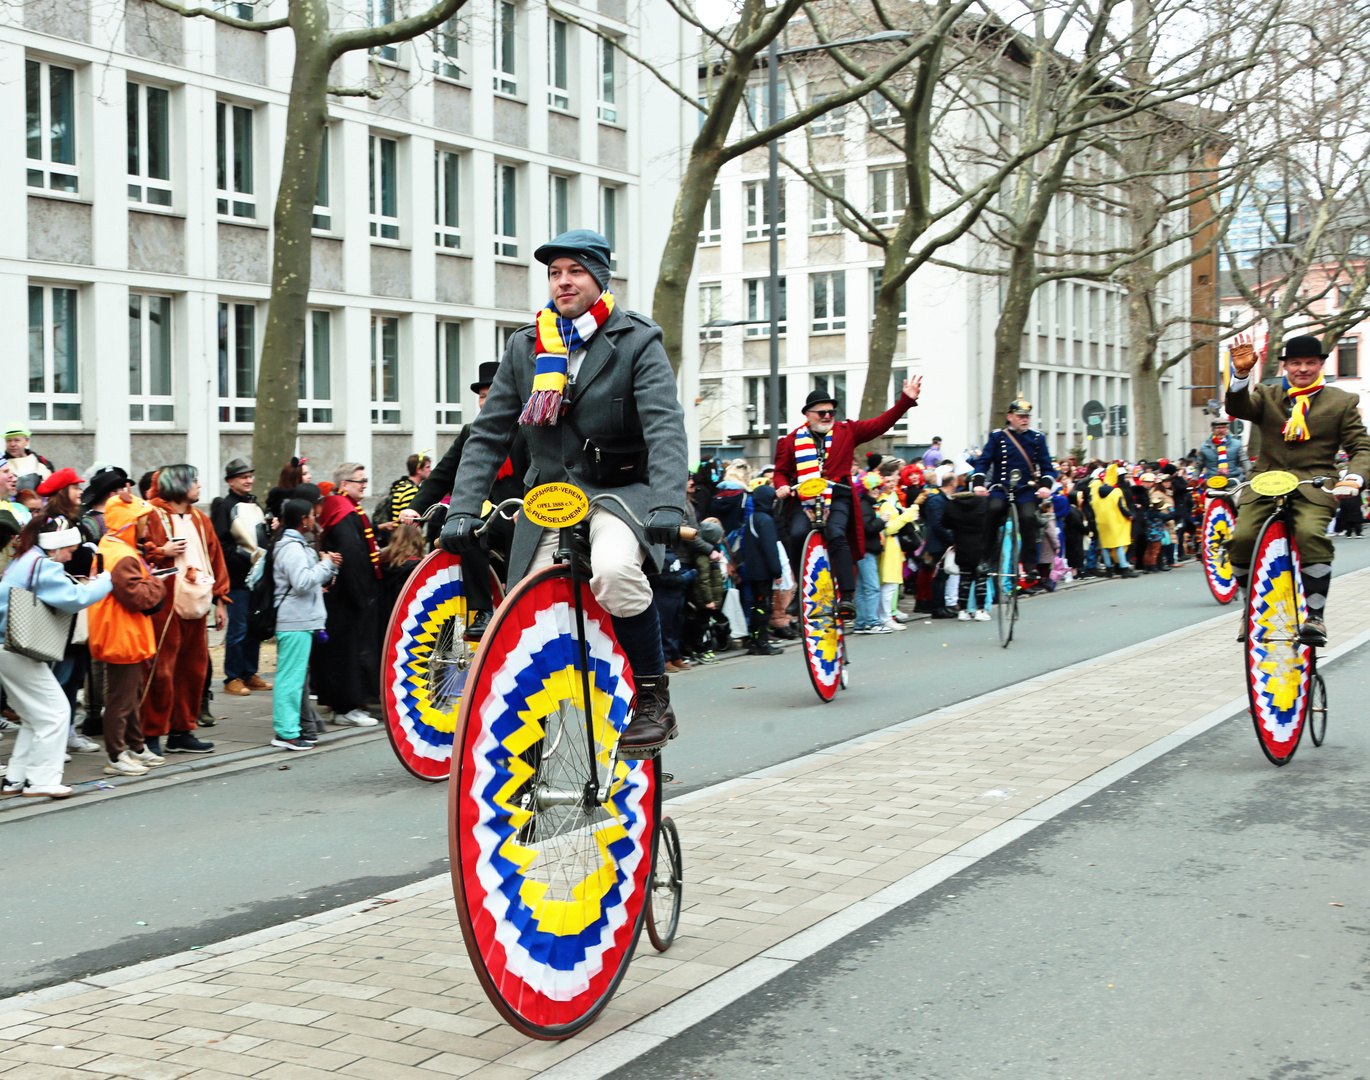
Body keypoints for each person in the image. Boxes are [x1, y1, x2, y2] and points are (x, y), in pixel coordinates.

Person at [439, 228, 689, 757]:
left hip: (619, 490)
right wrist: (461, 509)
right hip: (550, 496)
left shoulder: (636, 340)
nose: (563, 282)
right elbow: (489, 433)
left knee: (616, 569)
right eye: (555, 273)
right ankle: (522, 751)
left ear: (600, 278)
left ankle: (651, 697)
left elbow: (665, 426)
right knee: (525, 613)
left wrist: (668, 501)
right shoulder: (526, 345)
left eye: (575, 271)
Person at [1225, 334, 1370, 645]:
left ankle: (1316, 617)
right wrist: (1240, 376)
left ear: (1320, 364)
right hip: (1266, 480)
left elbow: (1360, 447)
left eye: (1310, 363)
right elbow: (1237, 407)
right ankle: (1249, 606)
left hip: (1314, 482)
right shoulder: (1267, 394)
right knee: (1242, 538)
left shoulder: (1340, 401)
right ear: (1286, 366)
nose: (1303, 369)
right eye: (1296, 363)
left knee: (1310, 534)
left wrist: (1354, 479)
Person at [774, 379, 924, 618]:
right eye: (821, 412)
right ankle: (799, 595)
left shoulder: (847, 431)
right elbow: (780, 471)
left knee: (836, 534)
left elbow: (879, 425)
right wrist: (782, 486)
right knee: (797, 535)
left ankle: (847, 597)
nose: (827, 416)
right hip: (805, 499)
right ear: (807, 414)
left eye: (831, 412)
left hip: (838, 495)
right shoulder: (790, 441)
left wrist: (905, 401)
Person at [402, 361, 530, 638]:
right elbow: (442, 474)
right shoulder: (472, 432)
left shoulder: (530, 427)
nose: (485, 402)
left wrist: (531, 504)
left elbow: (545, 470)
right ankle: (482, 611)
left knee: (516, 525)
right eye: (482, 396)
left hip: (528, 513)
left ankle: (515, 597)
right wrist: (414, 508)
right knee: (466, 528)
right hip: (492, 516)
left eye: (491, 394)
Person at [0, 518, 113, 798]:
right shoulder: (42, 565)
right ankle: (41, 780)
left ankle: (16, 779)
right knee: (56, 712)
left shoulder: (28, 560)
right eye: (69, 550)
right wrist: (105, 582)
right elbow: (75, 598)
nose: (71, 555)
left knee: (35, 716)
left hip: (9, 646)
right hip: (15, 647)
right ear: (55, 546)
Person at [141, 465, 228, 754]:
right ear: (178, 485)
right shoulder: (150, 514)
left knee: (193, 670)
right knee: (161, 671)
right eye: (194, 481)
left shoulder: (201, 519)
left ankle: (182, 731)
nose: (199, 486)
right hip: (164, 605)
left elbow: (216, 559)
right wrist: (160, 552)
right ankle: (151, 734)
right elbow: (134, 550)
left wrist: (220, 601)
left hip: (197, 601)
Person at [87, 492, 168, 776]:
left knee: (129, 695)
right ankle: (116, 755)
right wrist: (157, 583)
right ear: (129, 523)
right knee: (121, 700)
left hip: (120, 633)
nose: (145, 525)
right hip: (122, 636)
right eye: (141, 520)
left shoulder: (111, 545)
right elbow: (137, 597)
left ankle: (135, 746)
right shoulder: (122, 555)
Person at [314, 463, 382, 726]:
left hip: (345, 594)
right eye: (359, 481)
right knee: (346, 651)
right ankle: (344, 708)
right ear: (344, 484)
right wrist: (363, 595)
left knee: (347, 650)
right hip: (346, 596)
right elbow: (352, 556)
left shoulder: (346, 508)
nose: (364, 484)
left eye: (365, 480)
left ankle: (345, 705)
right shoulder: (343, 511)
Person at [271, 499, 341, 750]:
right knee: (290, 680)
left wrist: (326, 567)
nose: (316, 519)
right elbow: (301, 581)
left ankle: (293, 728)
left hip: (299, 620)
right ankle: (286, 732)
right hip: (294, 621)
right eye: (312, 515)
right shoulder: (291, 548)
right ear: (303, 520)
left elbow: (309, 581)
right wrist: (325, 564)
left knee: (295, 679)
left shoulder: (295, 545)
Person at [970, 398, 1057, 585]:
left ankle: (1029, 565)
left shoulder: (1037, 438)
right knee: (992, 510)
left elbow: (1048, 467)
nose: (1024, 420)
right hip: (1001, 487)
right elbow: (984, 461)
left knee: (1028, 518)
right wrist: (978, 483)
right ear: (1010, 417)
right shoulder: (997, 437)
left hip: (1025, 488)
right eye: (1020, 416)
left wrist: (1044, 486)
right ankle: (985, 559)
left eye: (1027, 416)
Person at [211, 458, 268, 696]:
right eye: (243, 476)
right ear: (230, 481)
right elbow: (222, 546)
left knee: (254, 627)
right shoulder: (225, 507)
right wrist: (246, 561)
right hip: (237, 579)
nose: (248, 480)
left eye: (250, 475)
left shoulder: (254, 504)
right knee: (238, 629)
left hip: (257, 578)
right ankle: (232, 677)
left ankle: (248, 672)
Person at [742, 484, 784, 655]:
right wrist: (777, 571)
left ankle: (754, 640)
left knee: (756, 607)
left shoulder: (752, 518)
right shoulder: (765, 520)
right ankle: (762, 642)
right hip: (763, 572)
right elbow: (770, 549)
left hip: (752, 569)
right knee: (764, 607)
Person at [946, 472, 993, 620]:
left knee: (964, 579)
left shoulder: (954, 503)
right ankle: (980, 610)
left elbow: (945, 522)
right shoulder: (985, 504)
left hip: (961, 544)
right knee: (981, 578)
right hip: (981, 544)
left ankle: (963, 610)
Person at [374, 453, 432, 538]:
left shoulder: (401, 486)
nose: (431, 470)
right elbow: (410, 521)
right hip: (408, 538)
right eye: (428, 467)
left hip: (400, 537)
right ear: (418, 469)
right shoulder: (410, 490)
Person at [2, 426, 55, 492]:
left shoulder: (41, 461)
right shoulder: (2, 465)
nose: (12, 444)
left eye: (17, 440)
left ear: (26, 441)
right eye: (9, 440)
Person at [1197, 415, 1249, 480]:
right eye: (1218, 428)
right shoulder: (1205, 446)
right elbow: (1199, 466)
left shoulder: (1237, 444)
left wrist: (1250, 476)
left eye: (1224, 427)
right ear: (1213, 430)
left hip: (1234, 481)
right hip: (1213, 482)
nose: (1221, 430)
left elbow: (1245, 461)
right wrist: (1194, 479)